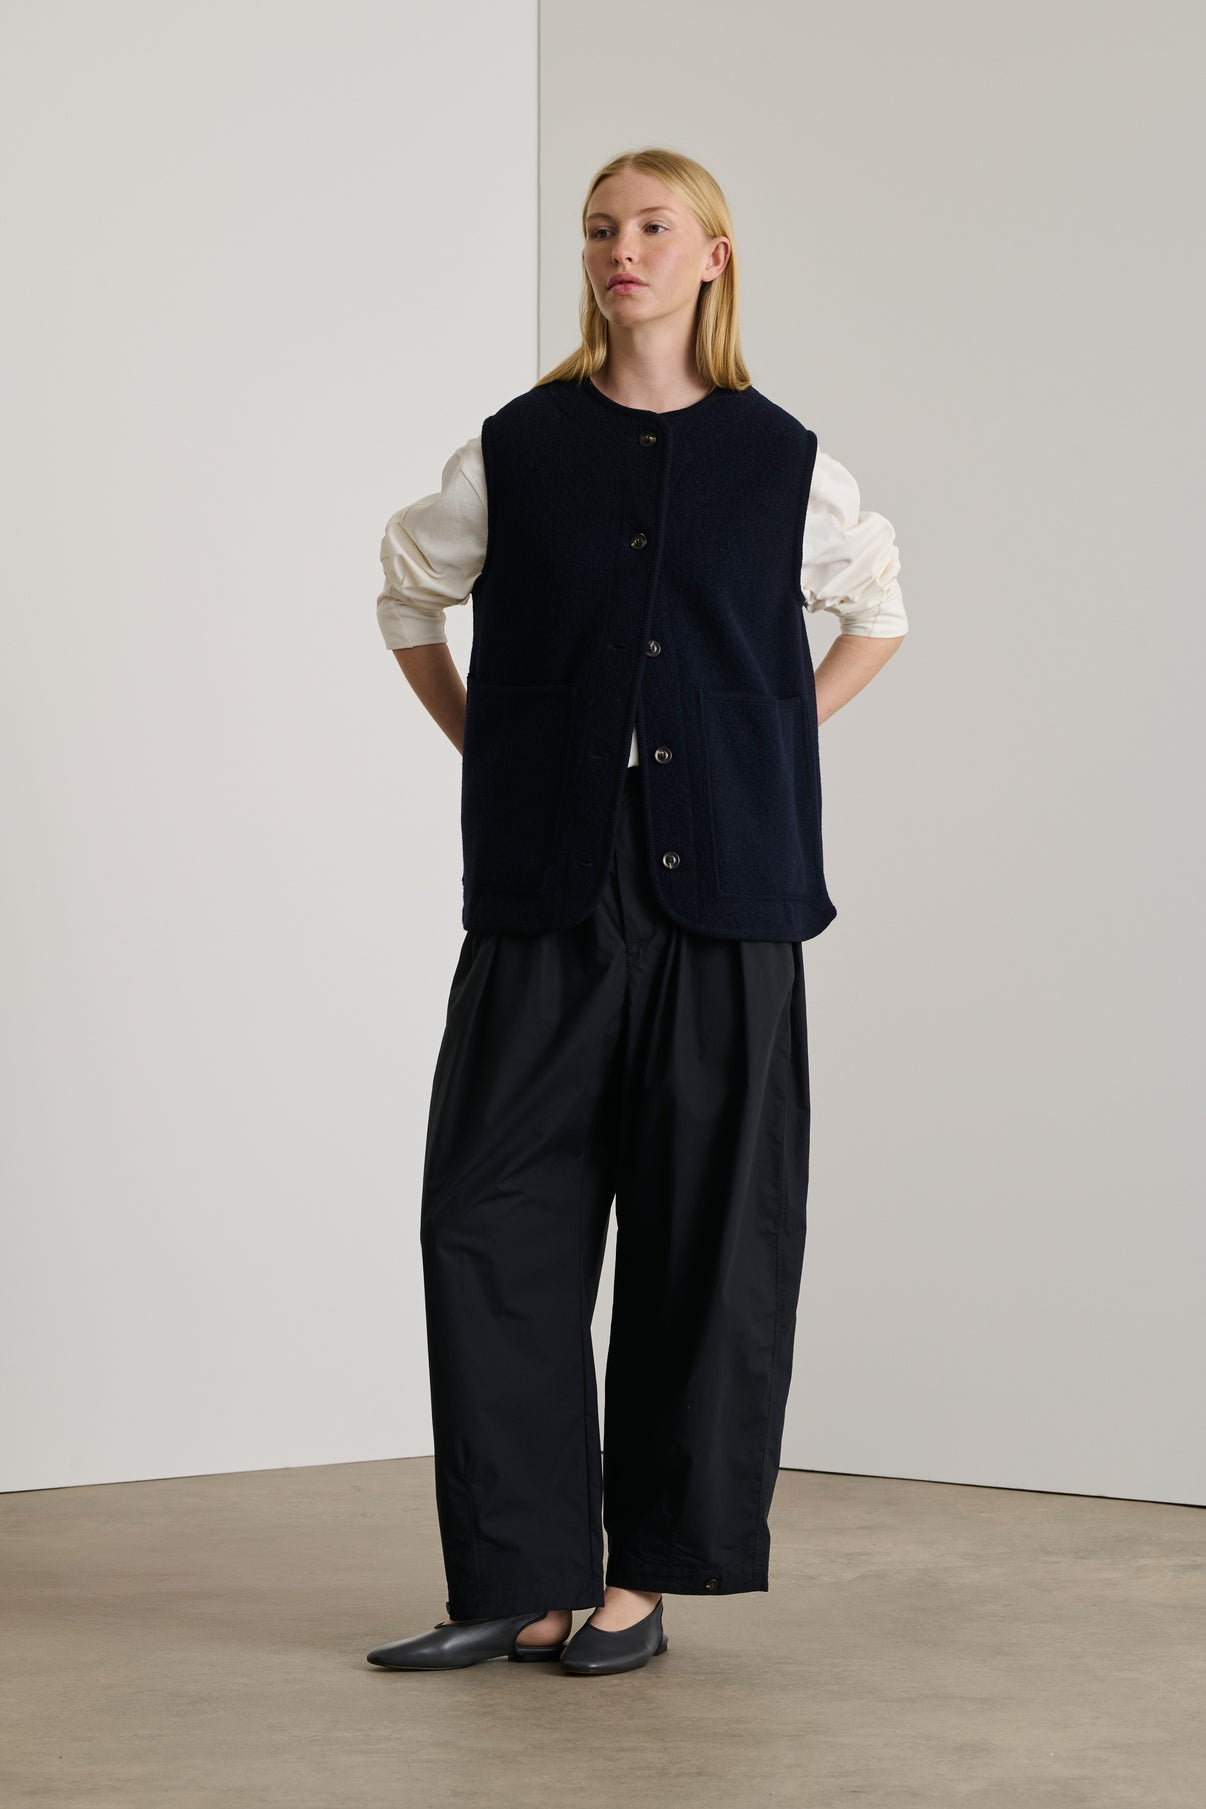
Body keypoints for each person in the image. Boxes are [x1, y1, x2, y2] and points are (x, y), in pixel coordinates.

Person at [366, 147, 907, 1678]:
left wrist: (765, 743)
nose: (623, 249)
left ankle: (639, 1581)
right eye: (602, 227)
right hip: (547, 879)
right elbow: (406, 594)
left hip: (728, 892)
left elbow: (878, 608)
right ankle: (523, 1577)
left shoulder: (783, 457)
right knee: (488, 1215)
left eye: (655, 227)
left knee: (707, 1227)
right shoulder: (516, 447)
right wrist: (492, 743)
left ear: (712, 256)